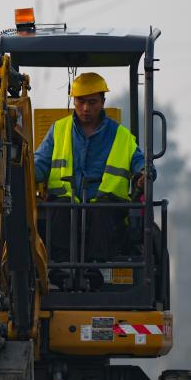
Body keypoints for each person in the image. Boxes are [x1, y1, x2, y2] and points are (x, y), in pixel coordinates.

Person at [33, 72, 153, 288]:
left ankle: (95, 267)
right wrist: (21, 171)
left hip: (107, 207)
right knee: (60, 208)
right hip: (67, 204)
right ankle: (60, 267)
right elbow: (40, 164)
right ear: (73, 100)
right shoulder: (58, 131)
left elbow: (139, 162)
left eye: (92, 102)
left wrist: (145, 173)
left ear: (103, 102)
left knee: (101, 210)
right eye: (81, 102)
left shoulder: (122, 136)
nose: (86, 108)